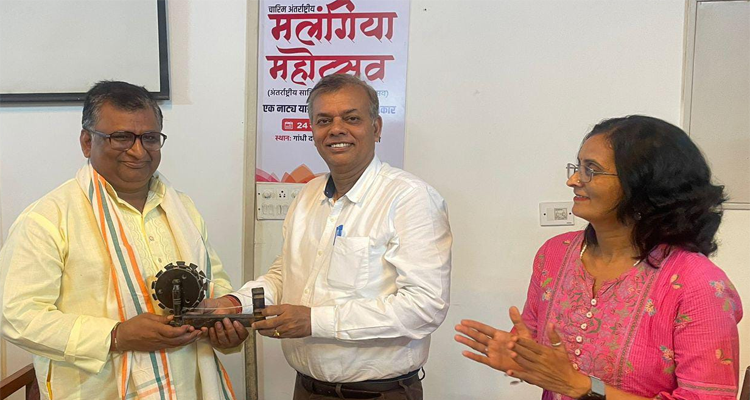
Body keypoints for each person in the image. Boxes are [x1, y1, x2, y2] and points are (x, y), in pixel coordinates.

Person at [455, 115, 743, 399]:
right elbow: (535, 345)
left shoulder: (699, 285)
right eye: (577, 167)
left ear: (644, 185)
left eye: (591, 169)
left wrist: (582, 387)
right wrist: (522, 358)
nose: (572, 180)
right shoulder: (555, 254)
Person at [203, 73, 453, 400]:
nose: (336, 129)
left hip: (379, 394)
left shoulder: (410, 198)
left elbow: (424, 307)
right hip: (306, 388)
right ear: (313, 131)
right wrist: (236, 304)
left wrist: (314, 321)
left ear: (376, 128)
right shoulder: (308, 194)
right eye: (324, 120)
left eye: (351, 118)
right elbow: (284, 275)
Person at [0, 81, 244, 400]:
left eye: (150, 138)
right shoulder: (49, 218)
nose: (138, 151)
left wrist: (225, 328)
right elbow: (18, 317)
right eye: (121, 137)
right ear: (87, 141)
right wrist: (115, 336)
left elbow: (214, 286)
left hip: (188, 388)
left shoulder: (182, 209)